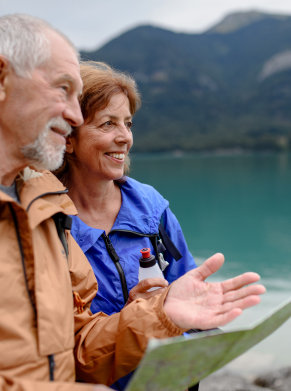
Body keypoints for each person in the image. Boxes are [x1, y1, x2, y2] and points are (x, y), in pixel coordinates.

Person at [0, 14, 266, 390]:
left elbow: (75, 347)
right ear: (0, 78)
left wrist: (161, 314)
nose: (74, 114)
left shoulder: (46, 206)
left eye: (79, 99)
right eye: (62, 90)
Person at [54, 61, 198, 390]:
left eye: (128, 124)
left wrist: (173, 317)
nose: (125, 138)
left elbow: (188, 299)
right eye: (108, 124)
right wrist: (135, 320)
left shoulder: (152, 209)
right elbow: (57, 347)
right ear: (68, 138)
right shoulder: (48, 225)